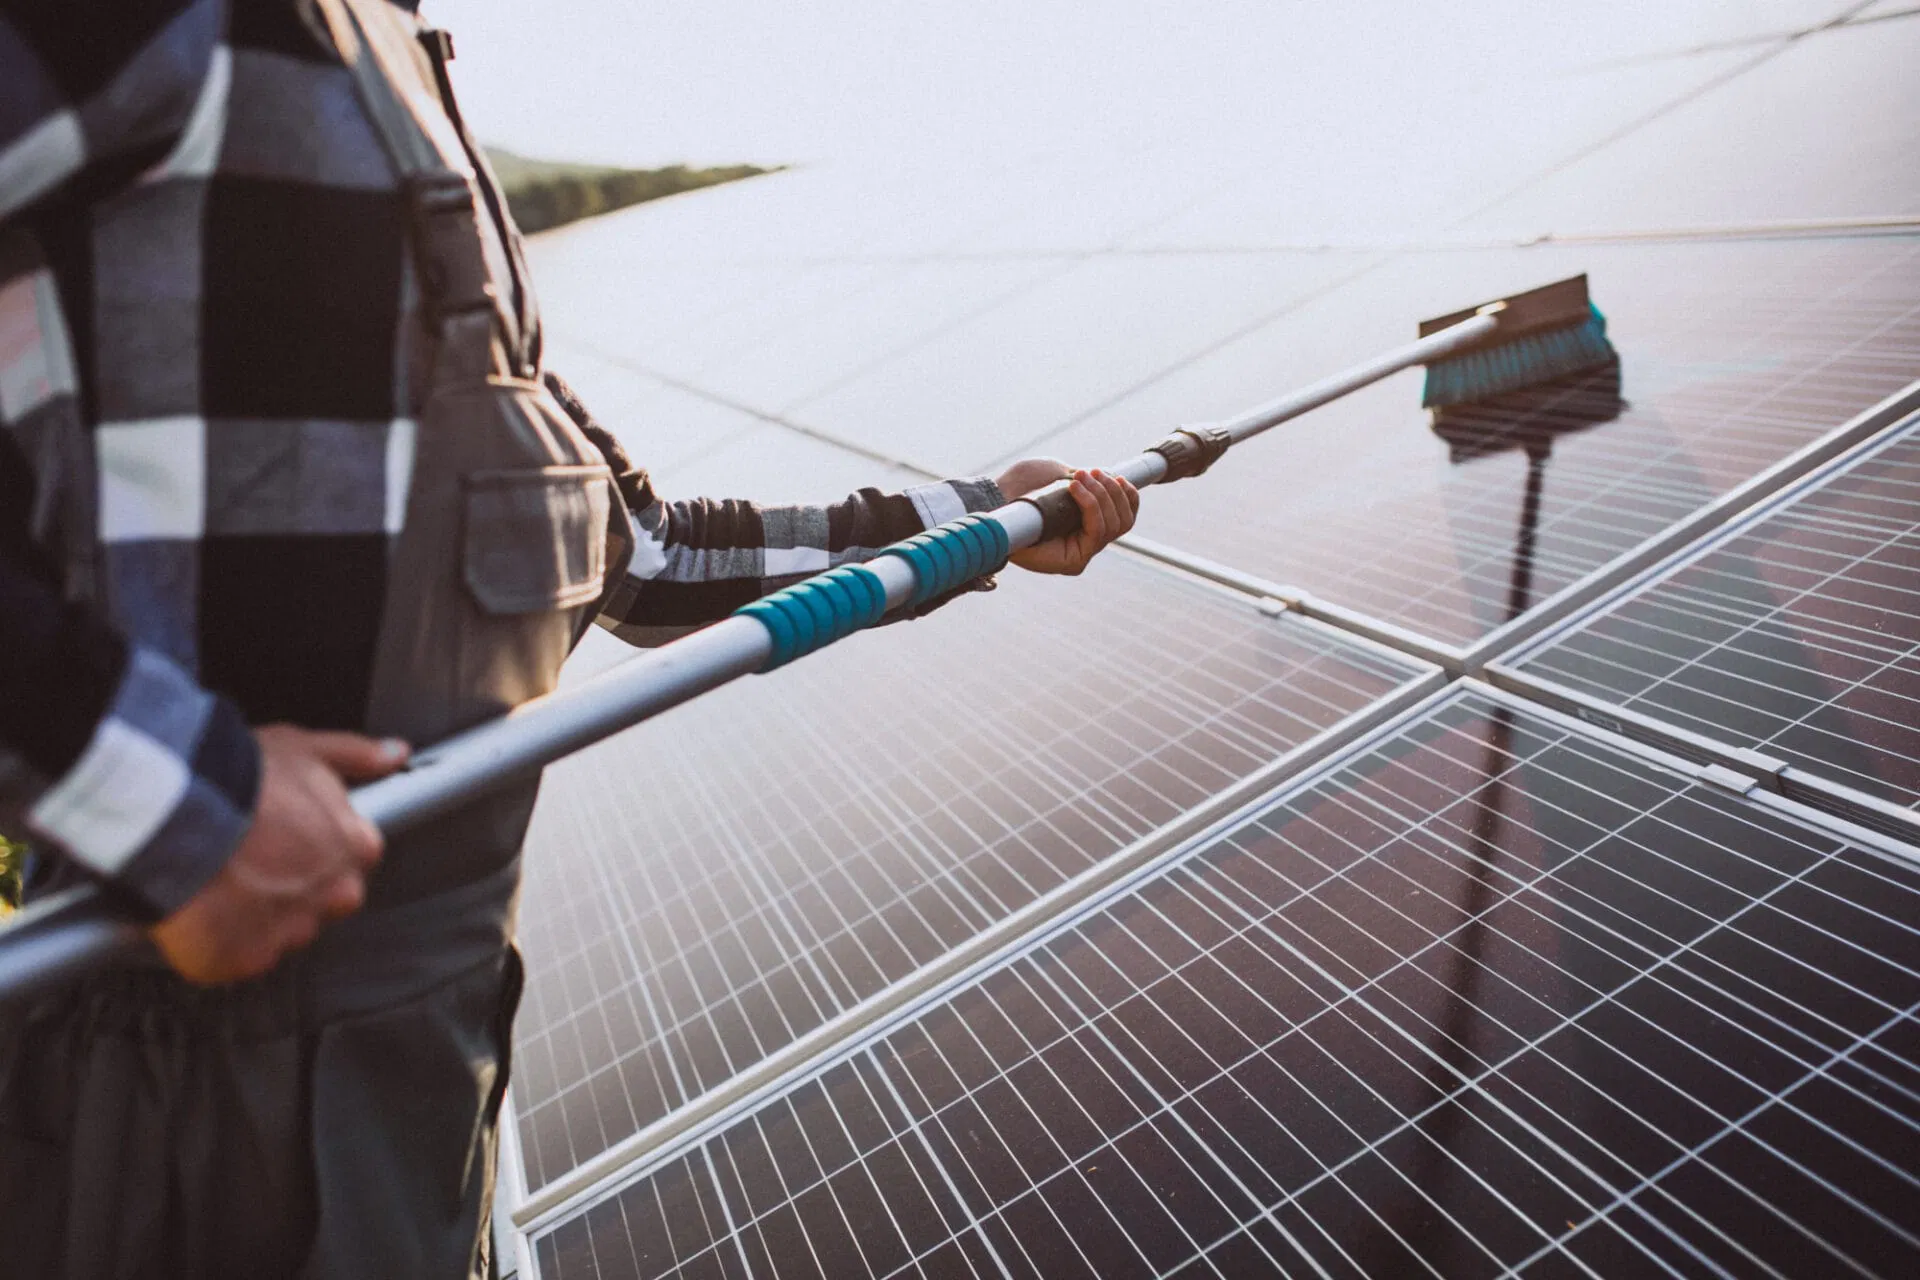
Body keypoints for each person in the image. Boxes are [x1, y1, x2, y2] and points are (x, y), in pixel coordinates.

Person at [0, 1, 1139, 1275]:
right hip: (186, 1115)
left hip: (416, 1088)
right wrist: (169, 799)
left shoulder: (396, 92)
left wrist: (983, 521)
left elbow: (647, 557)